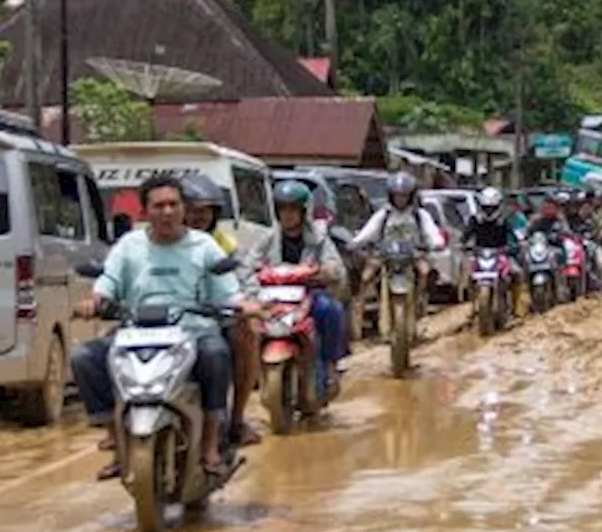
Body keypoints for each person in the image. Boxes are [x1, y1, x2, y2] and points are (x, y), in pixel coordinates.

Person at [70, 175, 253, 481]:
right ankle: (116, 440)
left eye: (173, 204)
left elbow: (227, 290)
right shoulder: (128, 246)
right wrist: (94, 301)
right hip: (134, 332)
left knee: (217, 353)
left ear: (183, 209)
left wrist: (244, 305)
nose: (167, 212)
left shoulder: (204, 245)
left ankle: (210, 445)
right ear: (145, 212)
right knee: (84, 357)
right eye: (159, 206)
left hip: (193, 331)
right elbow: (109, 282)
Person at [245, 180, 349, 398]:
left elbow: (336, 268)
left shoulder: (319, 239)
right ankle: (251, 372)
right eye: (283, 209)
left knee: (331, 310)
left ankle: (330, 366)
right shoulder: (267, 239)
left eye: (293, 209)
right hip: (273, 299)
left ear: (304, 211)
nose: (288, 215)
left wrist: (322, 273)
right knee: (246, 322)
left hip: (308, 296)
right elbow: (248, 267)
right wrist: (251, 289)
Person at [183, 174, 263, 446]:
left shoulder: (223, 245)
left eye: (205, 212)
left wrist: (248, 303)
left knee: (247, 332)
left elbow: (244, 279)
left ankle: (237, 420)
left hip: (214, 316)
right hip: (165, 319)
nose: (198, 218)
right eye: (192, 211)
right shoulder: (155, 240)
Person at [349, 172, 446, 308]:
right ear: (391, 195)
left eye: (404, 195)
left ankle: (419, 300)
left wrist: (437, 242)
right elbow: (369, 231)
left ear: (410, 196)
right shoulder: (384, 214)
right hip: (385, 255)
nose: (400, 199)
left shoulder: (419, 215)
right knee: (366, 276)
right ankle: (361, 306)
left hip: (413, 255)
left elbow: (431, 232)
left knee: (425, 271)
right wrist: (354, 243)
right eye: (397, 195)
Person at [462, 186, 528, 315]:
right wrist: (463, 244)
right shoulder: (475, 220)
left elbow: (514, 235)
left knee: (517, 273)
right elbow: (466, 235)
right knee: (468, 276)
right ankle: (472, 305)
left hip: (501, 254)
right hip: (480, 255)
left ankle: (516, 306)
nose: (489, 211)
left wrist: (517, 244)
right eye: (486, 207)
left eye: (492, 207)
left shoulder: (505, 219)